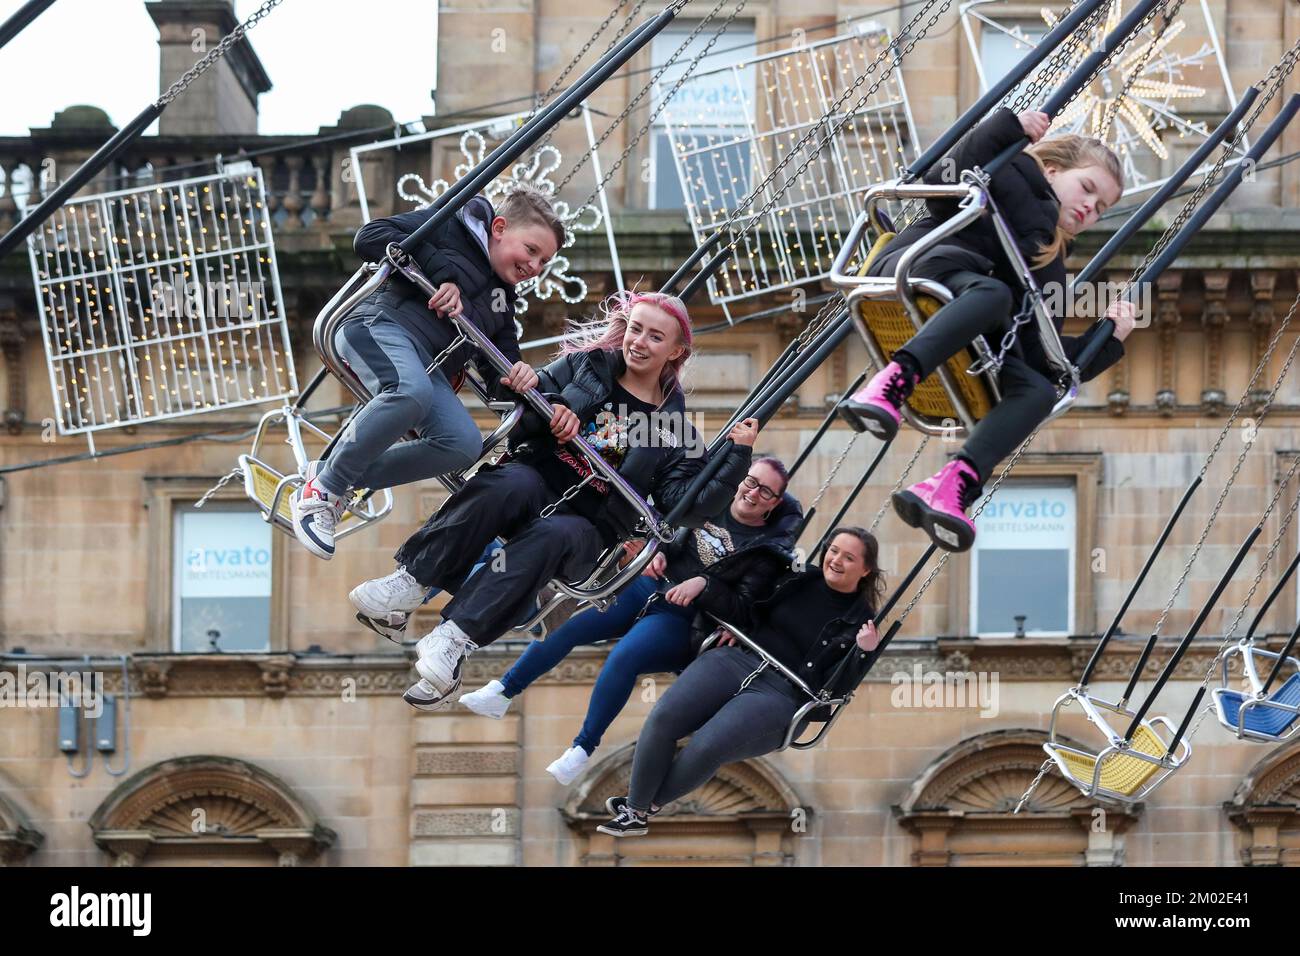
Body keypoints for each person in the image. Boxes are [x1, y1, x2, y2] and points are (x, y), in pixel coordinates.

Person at [348, 290, 755, 710]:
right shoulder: (585, 367)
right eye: (636, 329)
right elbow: (522, 399)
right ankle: (412, 581)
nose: (639, 342)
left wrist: (736, 456)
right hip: (537, 476)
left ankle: (454, 637)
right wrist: (549, 403)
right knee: (507, 485)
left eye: (655, 337)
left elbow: (686, 504)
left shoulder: (673, 430)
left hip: (590, 522)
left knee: (551, 534)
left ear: (676, 351)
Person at [837, 108, 1137, 553]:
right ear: (1052, 170)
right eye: (1088, 189)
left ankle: (953, 483)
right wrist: (1006, 128)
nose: (1091, 207)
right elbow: (943, 184)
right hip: (923, 268)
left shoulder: (1051, 266)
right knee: (995, 294)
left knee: (1037, 389)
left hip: (969, 310)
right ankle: (890, 386)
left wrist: (1108, 339)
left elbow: (1046, 358)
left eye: (1102, 207)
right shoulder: (1011, 168)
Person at [457, 454, 803, 785]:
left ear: (774, 504)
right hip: (644, 585)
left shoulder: (764, 551)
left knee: (624, 657)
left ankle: (582, 747)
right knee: (568, 626)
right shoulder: (706, 502)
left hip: (681, 617)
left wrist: (705, 586)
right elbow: (660, 521)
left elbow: (743, 608)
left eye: (766, 492)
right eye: (751, 482)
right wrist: (654, 550)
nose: (753, 493)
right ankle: (504, 691)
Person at [292, 186, 564, 560]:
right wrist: (442, 275)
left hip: (424, 368)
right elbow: (370, 236)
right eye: (531, 251)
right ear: (498, 228)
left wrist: (523, 378)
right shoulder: (450, 227)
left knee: (461, 444)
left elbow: (500, 369)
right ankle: (322, 492)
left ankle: (332, 473)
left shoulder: (502, 302)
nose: (534, 267)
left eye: (544, 262)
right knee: (410, 392)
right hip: (378, 325)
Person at [597, 527, 886, 836]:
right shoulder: (797, 577)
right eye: (834, 550)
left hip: (783, 693)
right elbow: (748, 601)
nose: (836, 560)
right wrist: (735, 621)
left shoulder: (861, 624)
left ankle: (639, 809)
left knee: (708, 743)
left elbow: (836, 689)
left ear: (865, 569)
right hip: (738, 658)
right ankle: (638, 808)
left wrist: (863, 653)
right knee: (664, 718)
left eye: (849, 557)